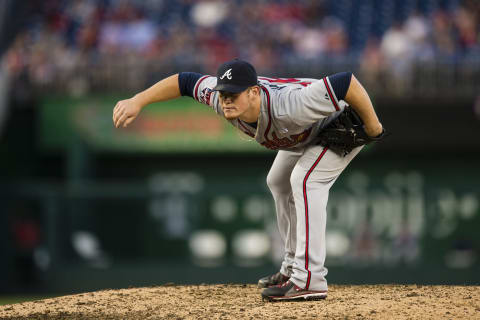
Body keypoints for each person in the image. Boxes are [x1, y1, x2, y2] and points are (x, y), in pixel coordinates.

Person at [112, 59, 384, 301]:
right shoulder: (220, 101)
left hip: (342, 121)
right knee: (278, 181)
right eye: (223, 93)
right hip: (307, 133)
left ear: (254, 92)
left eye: (233, 93)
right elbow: (184, 81)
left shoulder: (289, 105)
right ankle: (292, 268)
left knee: (305, 180)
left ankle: (310, 279)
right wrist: (139, 100)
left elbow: (347, 82)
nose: (226, 99)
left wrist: (373, 127)